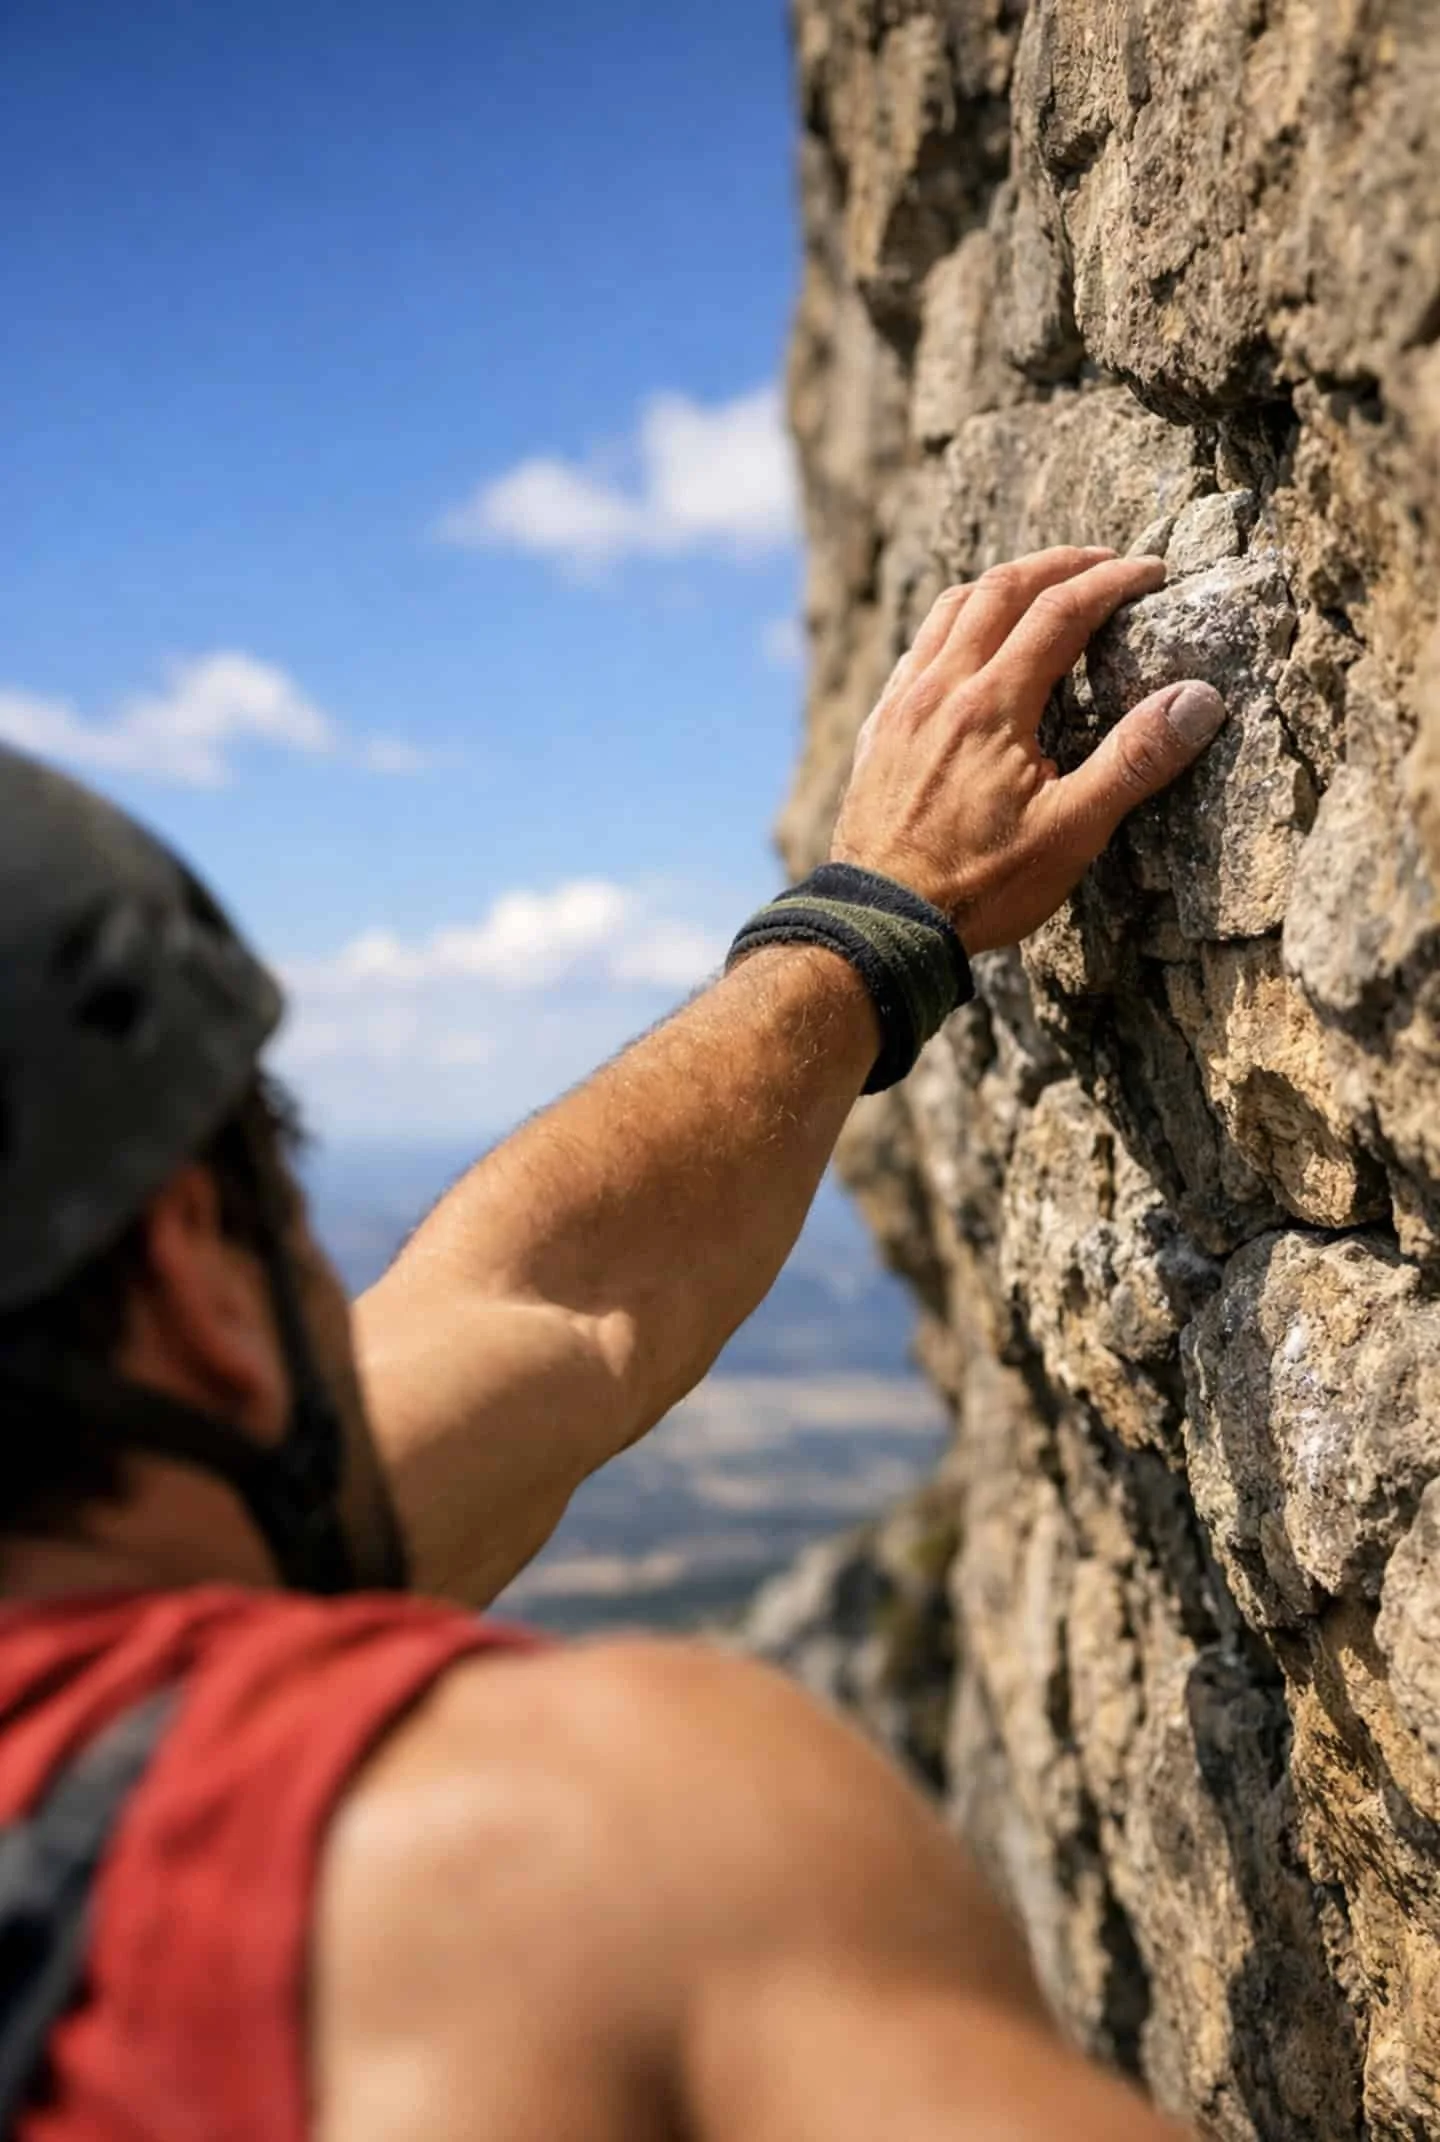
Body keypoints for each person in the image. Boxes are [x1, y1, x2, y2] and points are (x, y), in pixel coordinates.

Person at [0, 546, 1223, 2141]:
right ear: (195, 1274)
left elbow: (549, 1301)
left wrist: (871, 921)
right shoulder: (592, 1857)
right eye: (282, 1193)